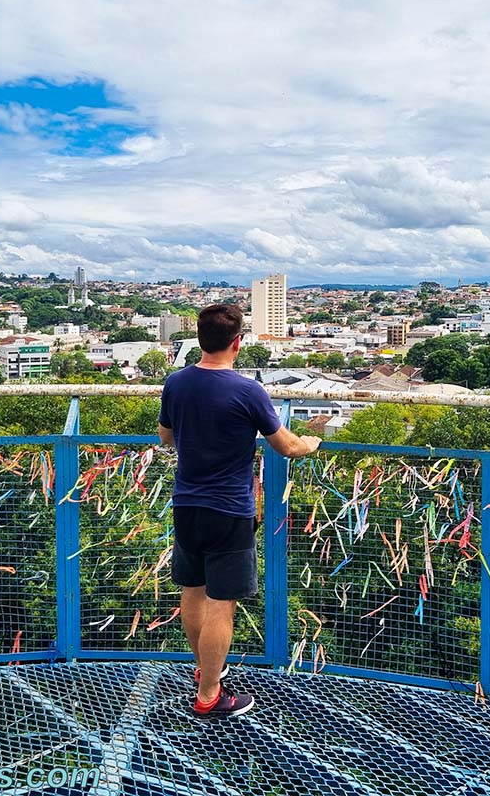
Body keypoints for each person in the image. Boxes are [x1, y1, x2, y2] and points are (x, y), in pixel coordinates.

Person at [157, 303, 321, 718]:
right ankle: (210, 694)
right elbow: (285, 446)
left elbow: (166, 437)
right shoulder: (248, 391)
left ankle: (203, 669)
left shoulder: (176, 383)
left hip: (187, 502)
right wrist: (311, 444)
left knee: (192, 591)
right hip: (229, 508)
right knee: (221, 603)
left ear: (199, 338)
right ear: (237, 342)